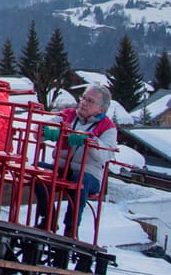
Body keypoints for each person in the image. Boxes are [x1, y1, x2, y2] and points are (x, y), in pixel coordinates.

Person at [33, 84, 118, 235]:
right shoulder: (68, 115)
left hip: (88, 174)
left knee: (79, 180)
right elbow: (40, 130)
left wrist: (90, 141)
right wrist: (51, 132)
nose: (84, 103)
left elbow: (107, 154)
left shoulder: (108, 127)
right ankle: (49, 218)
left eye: (90, 101)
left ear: (101, 109)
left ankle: (71, 228)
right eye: (83, 98)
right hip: (62, 168)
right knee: (37, 170)